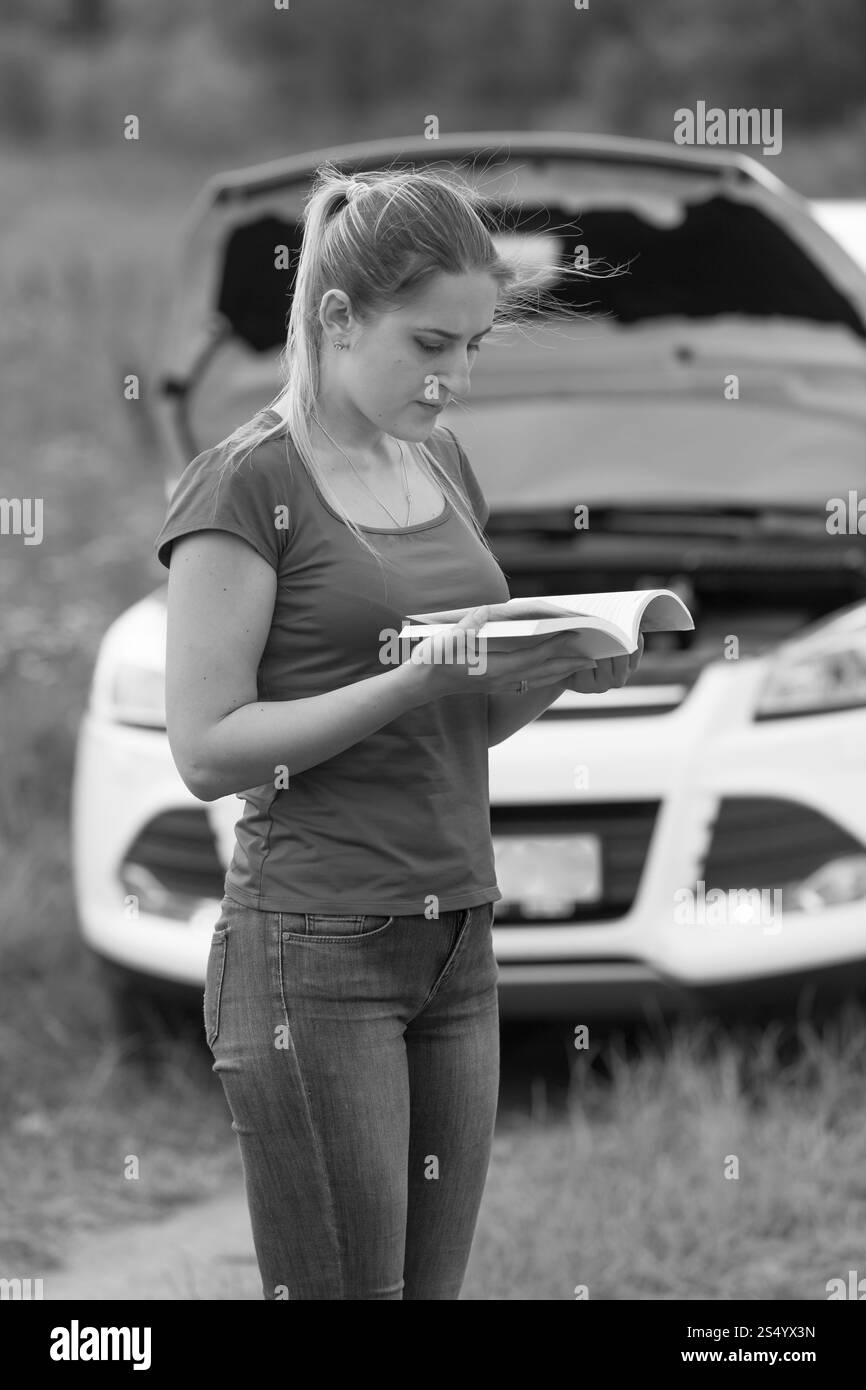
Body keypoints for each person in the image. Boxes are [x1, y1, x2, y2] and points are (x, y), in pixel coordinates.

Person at [153, 162, 642, 1300]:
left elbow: (457, 714)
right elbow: (205, 750)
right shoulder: (242, 487)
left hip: (455, 938)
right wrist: (406, 683)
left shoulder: (439, 464)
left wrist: (559, 668)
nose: (454, 378)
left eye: (471, 347)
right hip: (312, 952)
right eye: (430, 345)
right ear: (336, 316)